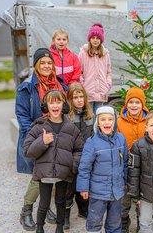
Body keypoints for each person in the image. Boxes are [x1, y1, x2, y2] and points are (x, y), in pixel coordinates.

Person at [15, 48, 67, 231]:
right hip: (38, 137)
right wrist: (37, 138)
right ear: (36, 65)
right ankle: (27, 211)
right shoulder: (27, 88)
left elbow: (66, 109)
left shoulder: (60, 85)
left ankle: (45, 208)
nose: (46, 66)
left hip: (56, 136)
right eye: (42, 63)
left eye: (49, 63)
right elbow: (22, 117)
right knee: (39, 176)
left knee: (53, 173)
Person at [23, 90, 84, 233]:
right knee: (43, 204)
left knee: (60, 202)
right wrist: (42, 142)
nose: (55, 105)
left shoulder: (71, 128)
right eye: (51, 102)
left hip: (64, 173)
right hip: (45, 174)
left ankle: (59, 229)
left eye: (58, 102)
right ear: (46, 106)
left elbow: (79, 150)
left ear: (64, 104)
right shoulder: (38, 127)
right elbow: (27, 151)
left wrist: (72, 166)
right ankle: (39, 228)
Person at [76, 105, 128, 233]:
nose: (107, 122)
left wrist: (126, 182)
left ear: (114, 121)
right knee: (95, 220)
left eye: (110, 119)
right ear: (97, 123)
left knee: (115, 222)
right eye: (103, 119)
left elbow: (125, 163)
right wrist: (83, 187)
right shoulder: (92, 142)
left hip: (117, 190)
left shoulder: (121, 139)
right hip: (98, 192)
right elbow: (84, 167)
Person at [117, 87, 149, 233]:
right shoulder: (119, 122)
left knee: (140, 200)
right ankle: (124, 222)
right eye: (131, 102)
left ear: (142, 104)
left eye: (137, 102)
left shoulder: (148, 122)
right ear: (126, 104)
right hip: (123, 167)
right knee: (124, 200)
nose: (134, 105)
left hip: (143, 167)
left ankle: (140, 223)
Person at [64, 82, 94, 229]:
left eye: (81, 97)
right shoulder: (67, 118)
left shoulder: (90, 116)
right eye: (75, 97)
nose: (79, 100)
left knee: (85, 185)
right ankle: (65, 215)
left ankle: (83, 209)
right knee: (69, 187)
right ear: (70, 99)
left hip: (86, 157)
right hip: (72, 158)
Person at [79, 23, 111, 114]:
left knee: (98, 114)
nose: (95, 40)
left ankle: (97, 129)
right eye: (93, 38)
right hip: (87, 89)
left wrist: (108, 84)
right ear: (90, 39)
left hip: (101, 90)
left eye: (98, 38)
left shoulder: (105, 54)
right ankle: (90, 129)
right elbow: (79, 71)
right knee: (89, 115)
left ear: (101, 39)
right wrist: (83, 84)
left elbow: (108, 71)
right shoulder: (83, 53)